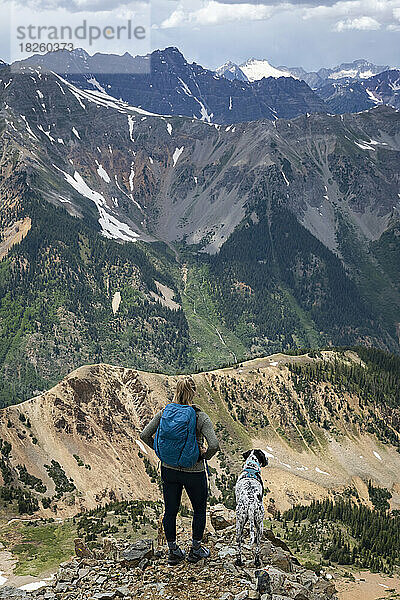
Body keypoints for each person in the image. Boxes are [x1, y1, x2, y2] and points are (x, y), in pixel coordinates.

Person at [140, 376, 219, 565]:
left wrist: (161, 453)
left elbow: (144, 435)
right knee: (199, 510)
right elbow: (214, 445)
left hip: (169, 470)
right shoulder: (199, 416)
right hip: (194, 471)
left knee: (170, 511)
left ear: (176, 391)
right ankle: (196, 550)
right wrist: (203, 456)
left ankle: (174, 552)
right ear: (193, 392)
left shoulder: (165, 412)